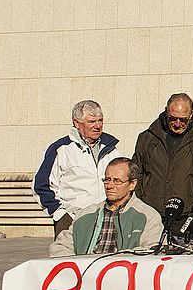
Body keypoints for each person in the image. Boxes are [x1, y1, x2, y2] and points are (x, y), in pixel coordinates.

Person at [35, 100, 128, 238]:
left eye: (100, 120)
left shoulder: (111, 149)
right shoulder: (61, 149)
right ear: (76, 123)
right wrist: (61, 215)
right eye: (91, 122)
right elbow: (41, 186)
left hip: (108, 221)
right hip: (72, 220)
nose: (98, 126)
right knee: (69, 259)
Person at [49, 158, 162, 257]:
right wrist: (76, 265)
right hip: (85, 275)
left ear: (132, 184)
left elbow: (152, 250)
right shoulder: (86, 214)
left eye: (117, 181)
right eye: (107, 180)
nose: (110, 186)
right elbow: (60, 246)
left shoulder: (148, 216)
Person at [132, 93, 193, 214]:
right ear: (166, 112)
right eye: (173, 118)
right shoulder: (146, 138)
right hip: (150, 212)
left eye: (183, 119)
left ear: (191, 115)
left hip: (186, 213)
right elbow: (136, 174)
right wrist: (139, 203)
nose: (177, 124)